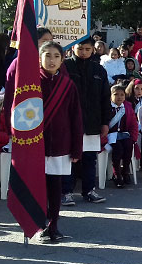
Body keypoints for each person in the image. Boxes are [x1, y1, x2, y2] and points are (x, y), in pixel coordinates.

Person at [37, 42, 82, 241]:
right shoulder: (31, 82)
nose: (52, 60)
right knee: (38, 186)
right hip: (36, 144)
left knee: (55, 187)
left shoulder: (68, 84)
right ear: (39, 58)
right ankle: (39, 224)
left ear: (62, 59)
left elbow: (76, 118)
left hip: (61, 144)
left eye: (56, 56)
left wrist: (76, 149)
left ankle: (53, 224)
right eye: (47, 55)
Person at [62, 37, 110, 205]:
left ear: (93, 50)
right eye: (80, 48)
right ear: (73, 47)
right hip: (69, 122)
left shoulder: (99, 70)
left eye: (87, 49)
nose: (83, 52)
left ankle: (89, 190)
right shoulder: (65, 66)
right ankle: (65, 192)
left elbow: (105, 98)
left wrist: (105, 122)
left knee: (89, 158)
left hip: (92, 122)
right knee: (68, 158)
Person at [106, 85, 138, 188]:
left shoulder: (127, 107)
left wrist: (133, 137)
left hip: (124, 134)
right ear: (111, 96)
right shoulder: (107, 107)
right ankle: (117, 174)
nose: (119, 97)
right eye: (116, 95)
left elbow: (133, 123)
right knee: (118, 149)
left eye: (122, 95)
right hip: (110, 135)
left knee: (129, 146)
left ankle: (125, 171)